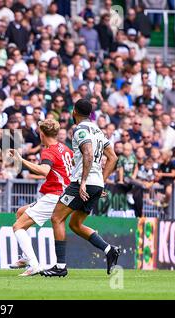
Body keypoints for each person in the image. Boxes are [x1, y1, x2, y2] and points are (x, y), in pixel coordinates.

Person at [42, 99, 120, 277]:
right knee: (75, 224)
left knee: (56, 218)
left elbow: (88, 153)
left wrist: (83, 181)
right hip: (96, 183)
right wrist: (101, 181)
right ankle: (109, 250)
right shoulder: (99, 131)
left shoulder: (80, 130)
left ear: (74, 112)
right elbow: (113, 157)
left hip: (81, 182)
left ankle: (60, 267)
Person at [8, 119, 73, 276]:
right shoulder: (65, 149)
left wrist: (21, 160)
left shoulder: (49, 151)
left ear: (42, 134)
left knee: (17, 227)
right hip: (64, 194)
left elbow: (44, 171)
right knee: (20, 212)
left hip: (55, 196)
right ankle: (25, 257)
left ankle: (34, 265)